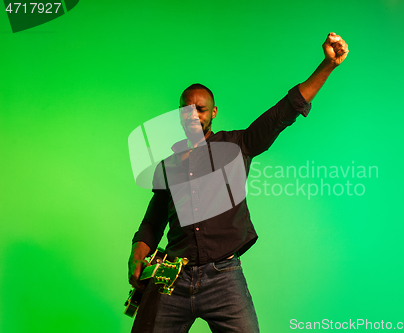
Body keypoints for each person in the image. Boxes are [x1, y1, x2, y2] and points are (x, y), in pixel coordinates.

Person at [128, 32, 349, 333]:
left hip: (223, 277)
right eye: (185, 110)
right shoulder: (167, 167)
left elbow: (283, 112)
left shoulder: (237, 146)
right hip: (172, 278)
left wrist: (328, 65)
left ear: (213, 113)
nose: (192, 115)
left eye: (201, 109)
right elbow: (153, 222)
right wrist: (137, 253)